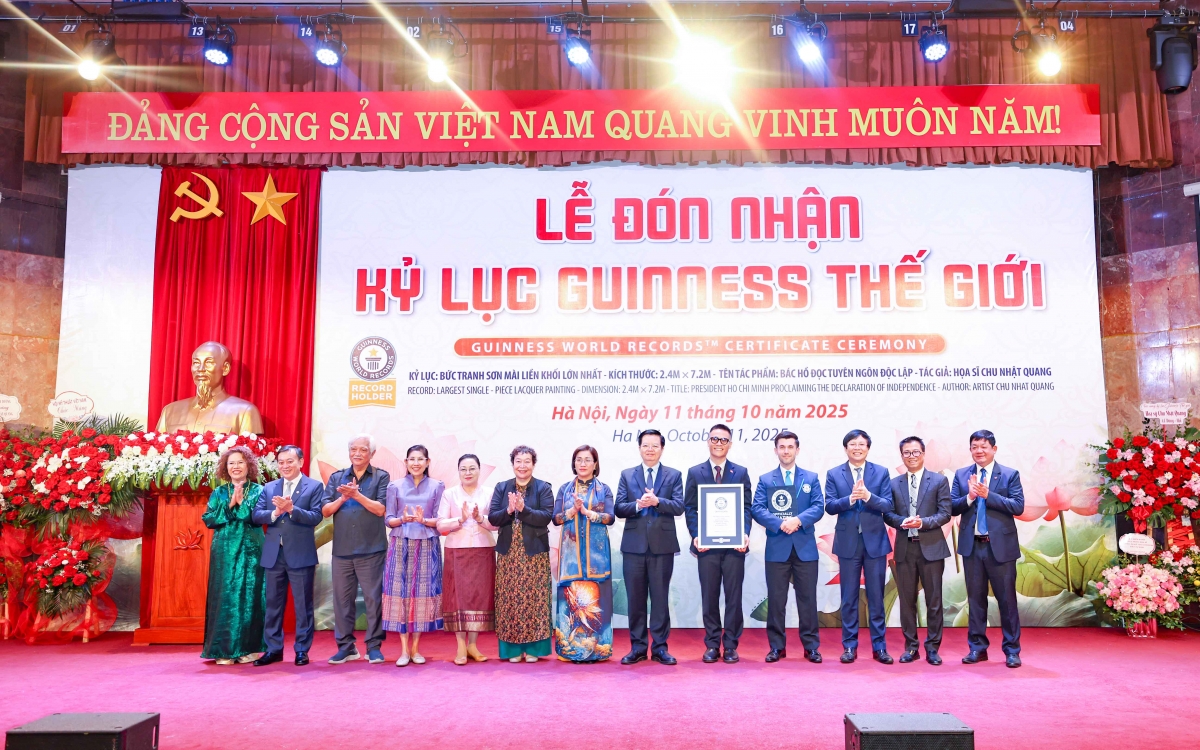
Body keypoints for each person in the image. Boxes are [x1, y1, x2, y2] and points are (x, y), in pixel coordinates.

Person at [951, 429, 1025, 668]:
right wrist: (970, 497)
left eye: (983, 446)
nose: (979, 451)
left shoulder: (1009, 474)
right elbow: (951, 506)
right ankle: (977, 648)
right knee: (975, 601)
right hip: (972, 547)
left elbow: (1018, 506)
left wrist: (988, 495)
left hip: (1000, 548)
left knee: (1007, 601)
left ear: (994, 449)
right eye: (974, 447)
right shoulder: (961, 475)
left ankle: (1012, 650)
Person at [751, 430, 825, 664]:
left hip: (805, 548)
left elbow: (818, 507)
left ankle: (811, 647)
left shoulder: (811, 478)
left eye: (790, 447)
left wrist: (798, 521)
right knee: (776, 601)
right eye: (781, 447)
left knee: (808, 600)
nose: (786, 451)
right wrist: (779, 523)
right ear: (776, 450)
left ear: (797, 450)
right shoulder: (766, 480)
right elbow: (757, 508)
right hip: (777, 548)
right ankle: (777, 647)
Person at [683, 423, 753, 664]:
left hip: (734, 547)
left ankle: (731, 645)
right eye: (715, 439)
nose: (719, 443)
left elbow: (746, 507)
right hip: (707, 547)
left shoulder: (740, 472)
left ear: (730, 444)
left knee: (734, 597)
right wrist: (696, 535)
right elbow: (690, 508)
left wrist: (744, 533)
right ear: (708, 441)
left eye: (724, 440)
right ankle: (712, 644)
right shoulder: (695, 472)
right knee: (709, 596)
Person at [614, 428, 685, 666]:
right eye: (646, 445)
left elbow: (679, 506)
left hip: (662, 547)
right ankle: (638, 647)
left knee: (660, 599)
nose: (650, 449)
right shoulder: (627, 475)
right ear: (639, 448)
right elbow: (618, 508)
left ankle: (660, 648)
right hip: (633, 547)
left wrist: (657, 502)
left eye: (655, 445)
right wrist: (637, 505)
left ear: (662, 448)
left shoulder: (673, 475)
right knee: (635, 600)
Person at [825, 429, 895, 665]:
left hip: (875, 543)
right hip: (848, 544)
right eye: (852, 444)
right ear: (846, 448)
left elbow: (887, 505)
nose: (857, 448)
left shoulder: (881, 472)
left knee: (876, 597)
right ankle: (849, 646)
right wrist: (850, 499)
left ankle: (880, 647)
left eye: (861, 444)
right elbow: (830, 506)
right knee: (849, 598)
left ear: (868, 448)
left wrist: (868, 496)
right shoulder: (834, 473)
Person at [321, 433, 391, 665]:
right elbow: (326, 511)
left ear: (372, 453)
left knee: (373, 600)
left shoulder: (381, 476)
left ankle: (373, 646)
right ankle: (346, 647)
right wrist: (343, 498)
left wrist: (357, 495)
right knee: (342, 601)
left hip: (371, 549)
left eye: (363, 450)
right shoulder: (337, 477)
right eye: (353, 449)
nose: (357, 453)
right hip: (342, 550)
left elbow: (380, 509)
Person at [251, 444, 324, 667]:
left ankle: (302, 650)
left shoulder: (314, 486)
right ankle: (273, 649)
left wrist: (292, 509)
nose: (285, 466)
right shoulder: (269, 487)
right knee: (272, 605)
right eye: (281, 462)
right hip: (274, 553)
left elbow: (316, 516)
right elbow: (257, 516)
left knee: (303, 605)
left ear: (301, 462)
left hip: (301, 554)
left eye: (289, 461)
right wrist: (276, 512)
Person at [882, 436, 952, 666]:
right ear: (902, 455)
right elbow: (888, 514)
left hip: (931, 548)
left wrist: (923, 523)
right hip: (905, 549)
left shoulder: (939, 480)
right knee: (907, 601)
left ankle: (932, 648)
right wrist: (901, 521)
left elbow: (945, 513)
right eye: (907, 453)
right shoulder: (894, 483)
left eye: (915, 452)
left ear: (923, 454)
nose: (911, 456)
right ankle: (911, 647)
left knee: (934, 600)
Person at [200, 446, 266, 665]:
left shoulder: (259, 491)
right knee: (225, 596)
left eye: (240, 462)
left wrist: (242, 504)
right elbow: (209, 520)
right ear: (225, 467)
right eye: (231, 463)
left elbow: (257, 518)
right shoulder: (219, 492)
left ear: (248, 465)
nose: (235, 467)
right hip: (224, 551)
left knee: (250, 596)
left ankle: (247, 648)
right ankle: (223, 650)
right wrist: (230, 504)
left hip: (251, 550)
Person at [488, 445, 555, 663]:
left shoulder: (543, 488)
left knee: (535, 600)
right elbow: (493, 518)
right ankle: (512, 650)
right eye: (518, 461)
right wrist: (509, 510)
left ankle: (534, 649)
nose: (522, 466)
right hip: (509, 554)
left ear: (533, 464)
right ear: (513, 464)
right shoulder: (502, 487)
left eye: (527, 461)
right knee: (509, 600)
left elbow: (546, 517)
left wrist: (523, 510)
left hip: (535, 555)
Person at [553, 445, 617, 663]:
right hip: (571, 556)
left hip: (597, 556)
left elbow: (610, 517)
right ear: (574, 463)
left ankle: (599, 650)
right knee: (571, 601)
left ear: (595, 464)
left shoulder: (604, 489)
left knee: (596, 603)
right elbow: (556, 518)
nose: (583, 463)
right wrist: (572, 511)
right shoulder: (565, 489)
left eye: (587, 460)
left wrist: (589, 513)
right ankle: (569, 650)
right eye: (579, 459)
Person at [383, 445, 446, 666]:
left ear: (428, 462)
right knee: (400, 594)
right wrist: (402, 520)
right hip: (400, 543)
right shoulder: (394, 486)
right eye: (412, 459)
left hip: (427, 543)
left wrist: (423, 520)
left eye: (420, 459)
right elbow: (388, 519)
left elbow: (440, 520)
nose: (416, 463)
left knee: (422, 594)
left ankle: (416, 648)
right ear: (406, 462)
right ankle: (403, 650)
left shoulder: (437, 486)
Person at [437, 453, 498, 665]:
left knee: (478, 597)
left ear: (479, 470)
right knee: (458, 598)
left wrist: (481, 518)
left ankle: (473, 644)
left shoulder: (489, 493)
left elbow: (497, 523)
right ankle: (461, 646)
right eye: (463, 469)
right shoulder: (449, 494)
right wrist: (460, 519)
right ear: (458, 472)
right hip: (457, 550)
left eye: (472, 468)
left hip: (483, 549)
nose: (468, 473)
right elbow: (440, 525)